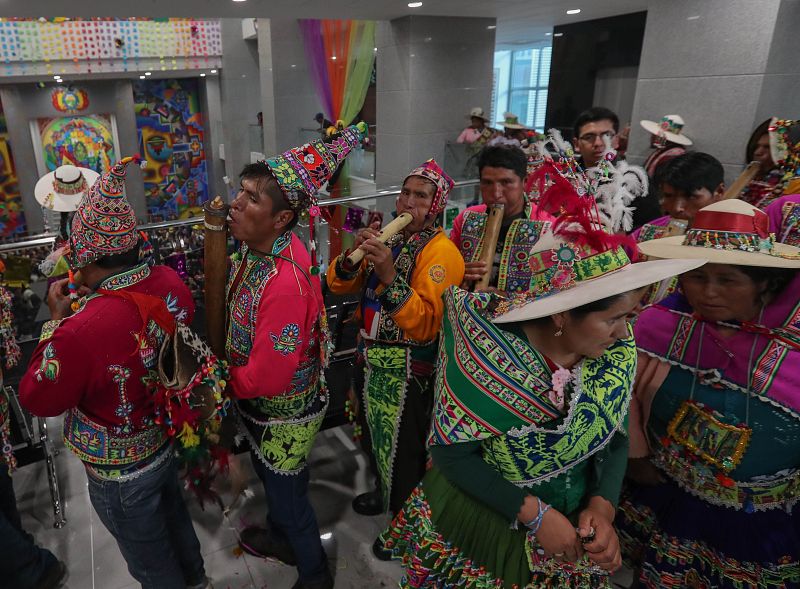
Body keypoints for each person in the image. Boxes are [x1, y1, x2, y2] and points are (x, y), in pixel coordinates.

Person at [380, 172, 703, 588]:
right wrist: (532, 512)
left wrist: (603, 504)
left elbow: (615, 437)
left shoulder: (612, 354)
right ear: (562, 314)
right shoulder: (487, 355)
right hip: (490, 515)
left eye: (628, 317)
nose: (625, 333)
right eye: (613, 318)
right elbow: (452, 456)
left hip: (573, 524)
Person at [18, 157, 208, 589]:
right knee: (177, 526)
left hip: (120, 471)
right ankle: (198, 580)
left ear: (84, 256)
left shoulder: (79, 330)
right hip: (162, 439)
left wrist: (55, 322)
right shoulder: (170, 284)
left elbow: (38, 397)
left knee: (150, 561)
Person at [620, 198, 800, 588]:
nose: (708, 293)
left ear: (765, 282)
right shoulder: (659, 325)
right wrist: (636, 457)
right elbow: (624, 394)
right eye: (697, 277)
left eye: (728, 280)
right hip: (666, 491)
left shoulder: (793, 351)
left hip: (759, 517)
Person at [231, 123, 367, 589]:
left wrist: (217, 380)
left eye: (251, 198)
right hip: (259, 405)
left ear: (282, 219)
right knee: (275, 484)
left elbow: (268, 376)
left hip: (282, 411)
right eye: (241, 192)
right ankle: (280, 537)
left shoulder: (284, 283)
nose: (236, 203)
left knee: (290, 498)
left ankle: (314, 573)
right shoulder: (257, 249)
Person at [326, 159, 465, 551]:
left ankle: (406, 533)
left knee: (404, 459)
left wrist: (388, 275)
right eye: (405, 193)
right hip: (369, 364)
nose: (408, 203)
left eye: (420, 196)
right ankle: (384, 495)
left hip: (407, 376)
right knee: (373, 443)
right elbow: (338, 285)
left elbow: (424, 326)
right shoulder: (392, 239)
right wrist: (354, 254)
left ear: (436, 205)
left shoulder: (443, 254)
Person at [449, 145, 554, 292]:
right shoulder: (466, 219)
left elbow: (557, 289)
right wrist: (457, 272)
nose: (496, 193)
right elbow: (446, 269)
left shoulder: (549, 228)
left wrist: (507, 299)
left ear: (525, 182)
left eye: (506, 182)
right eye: (487, 183)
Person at [632, 151, 725, 243]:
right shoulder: (652, 231)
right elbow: (622, 252)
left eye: (690, 196)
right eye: (668, 196)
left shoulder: (732, 239)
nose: (677, 208)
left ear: (719, 192)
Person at [635, 114, 693, 228]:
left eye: (655, 134)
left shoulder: (672, 156)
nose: (651, 137)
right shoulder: (664, 152)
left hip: (659, 208)